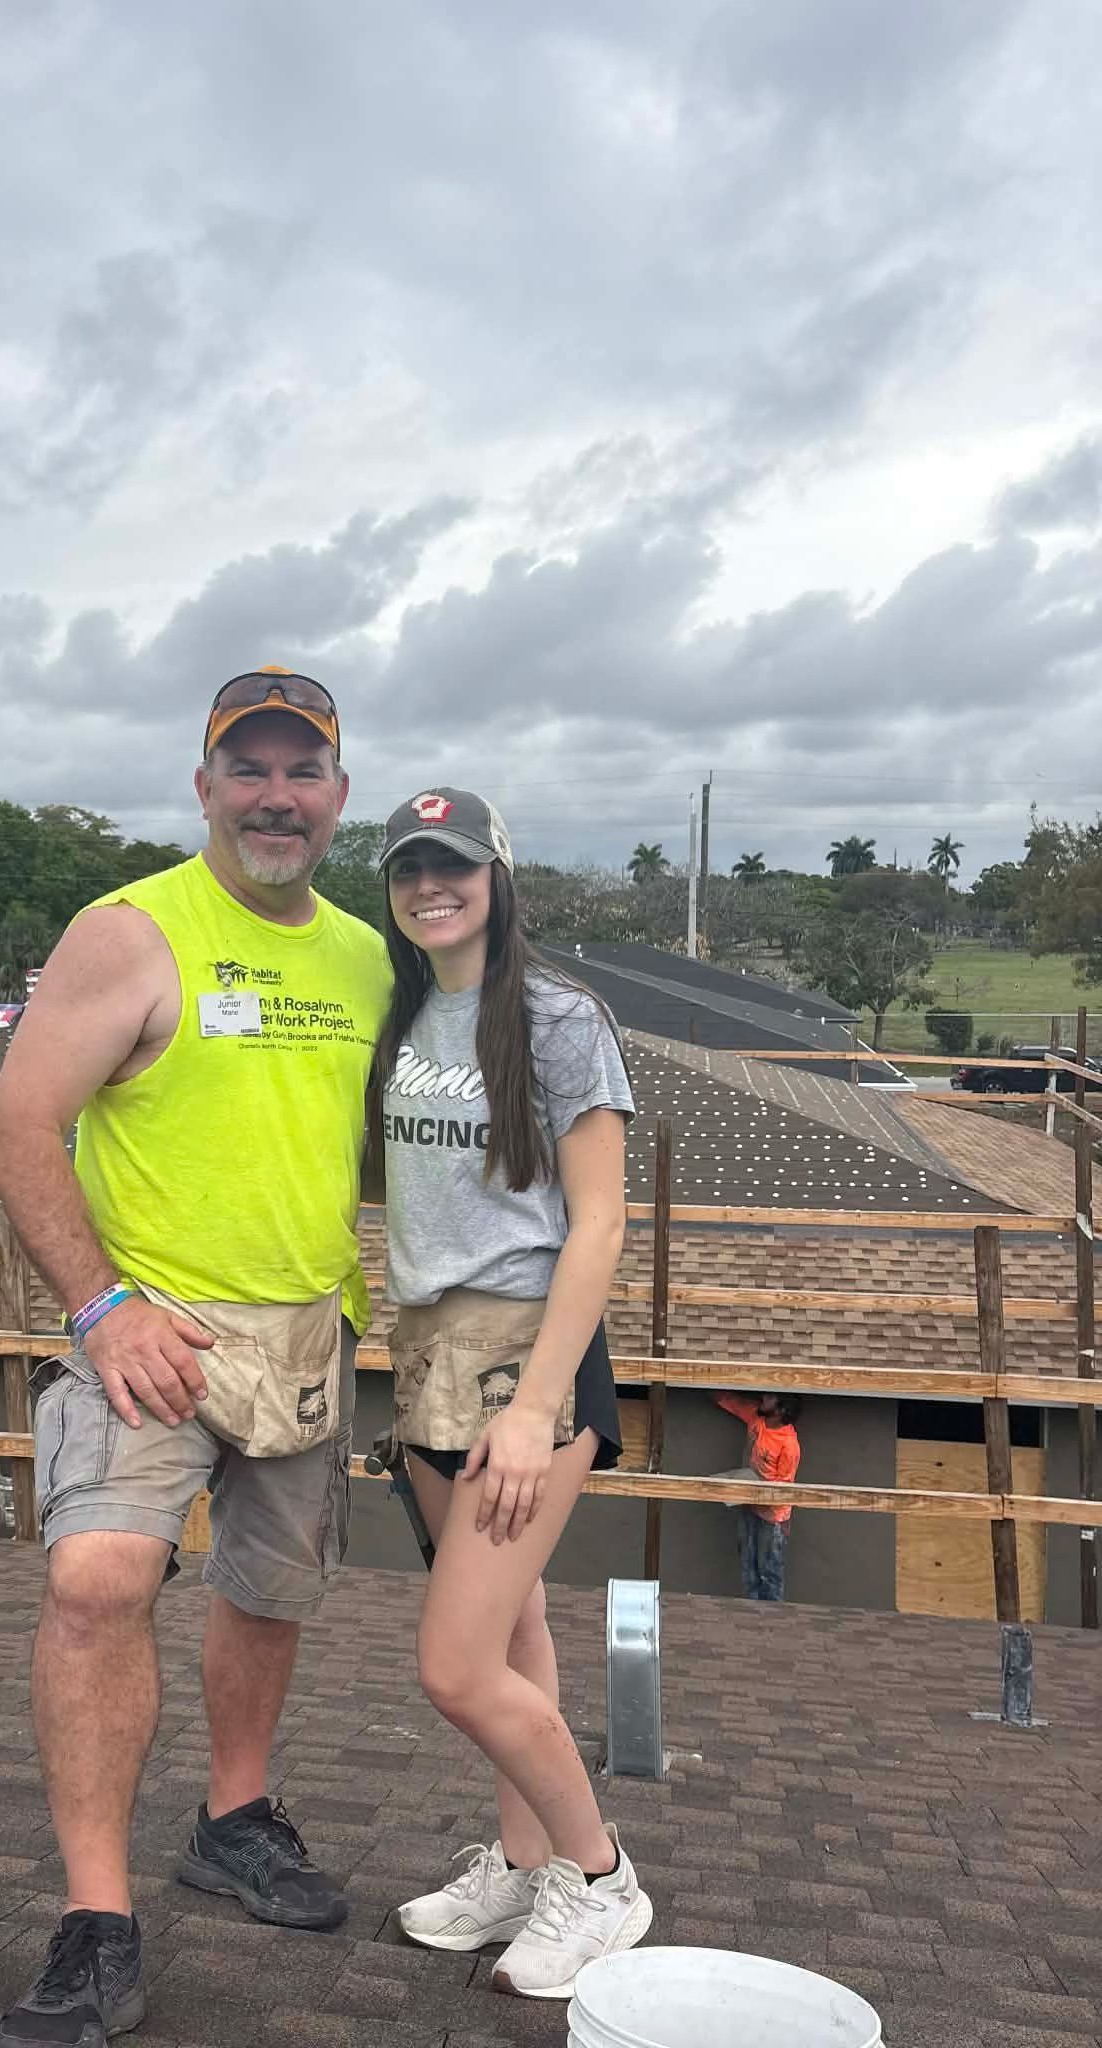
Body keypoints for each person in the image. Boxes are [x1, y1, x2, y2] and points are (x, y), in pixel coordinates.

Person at [0, 669, 391, 2048]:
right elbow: (19, 1128)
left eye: (304, 770)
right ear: (205, 782)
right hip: (154, 1331)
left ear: (339, 794)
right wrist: (104, 1311)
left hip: (305, 1328)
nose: (278, 795)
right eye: (250, 767)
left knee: (269, 1592)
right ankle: (97, 1922)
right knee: (98, 1579)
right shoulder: (130, 931)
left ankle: (232, 1817)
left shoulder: (364, 954)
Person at [366, 786, 653, 2001]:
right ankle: (522, 1860)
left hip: (528, 1361)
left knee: (455, 1661)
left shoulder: (555, 1015)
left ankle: (599, 1876)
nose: (434, 887)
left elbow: (599, 1222)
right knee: (515, 1621)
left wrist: (536, 1408)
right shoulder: (401, 1011)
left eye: (456, 867)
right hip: (428, 1348)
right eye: (410, 869)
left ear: (499, 874)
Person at [710, 1391, 802, 1601]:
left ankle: (772, 1616)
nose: (763, 1398)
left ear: (782, 1410)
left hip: (773, 1514)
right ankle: (751, 1612)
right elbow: (733, 1403)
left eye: (770, 1398)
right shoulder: (757, 1417)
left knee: (770, 1570)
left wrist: (777, 1514)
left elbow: (784, 1486)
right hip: (749, 1501)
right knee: (747, 1562)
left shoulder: (789, 1444)